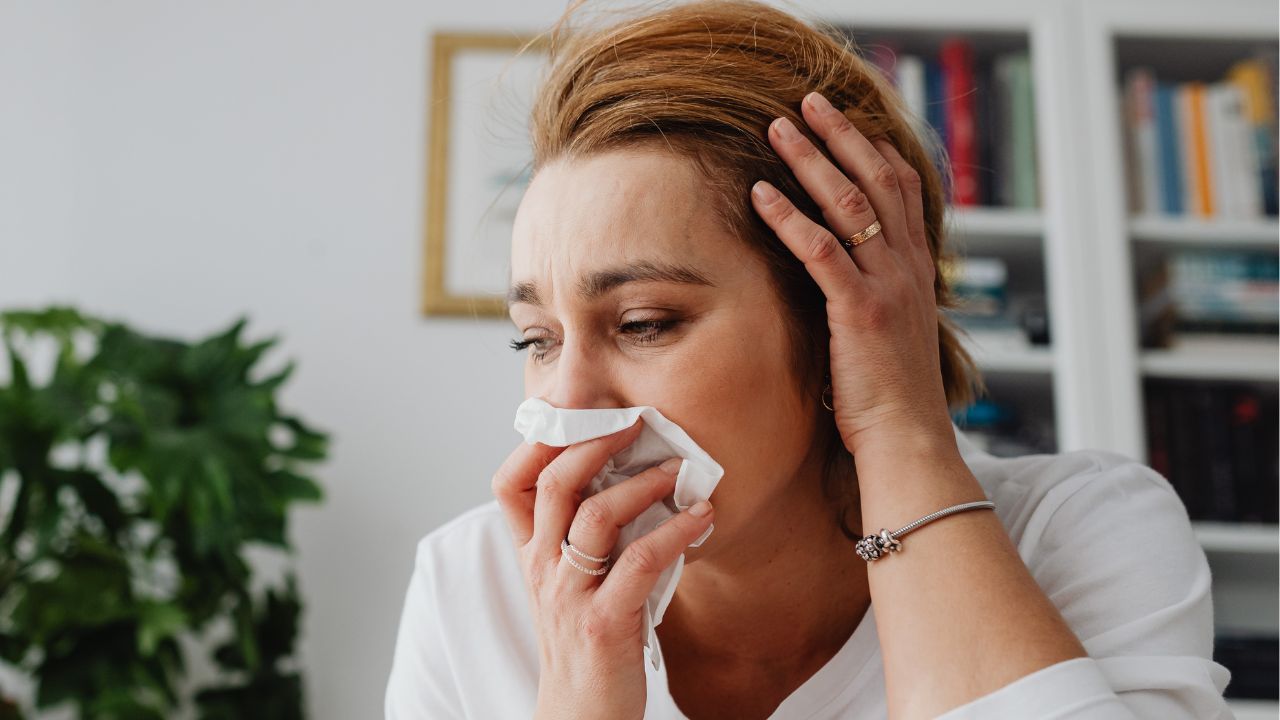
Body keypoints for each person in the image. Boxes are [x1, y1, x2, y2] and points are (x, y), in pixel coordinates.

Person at [386, 1, 1233, 717]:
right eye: (536, 338)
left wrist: (900, 423)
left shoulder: (1080, 532)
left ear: (840, 323)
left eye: (644, 323)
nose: (567, 402)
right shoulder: (471, 586)